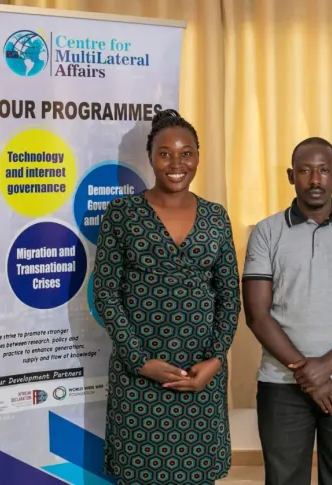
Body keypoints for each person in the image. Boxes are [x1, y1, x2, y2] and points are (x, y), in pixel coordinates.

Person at [93, 109, 241, 485]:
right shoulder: (122, 213)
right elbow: (106, 293)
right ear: (151, 157)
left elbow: (229, 295)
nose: (176, 164)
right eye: (165, 153)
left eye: (186, 153)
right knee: (138, 474)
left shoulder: (216, 217)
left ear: (198, 156)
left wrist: (215, 359)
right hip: (138, 376)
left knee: (197, 475)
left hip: (199, 375)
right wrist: (140, 361)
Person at [242, 137, 332, 485]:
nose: (315, 179)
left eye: (323, 170)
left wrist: (324, 368)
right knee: (284, 479)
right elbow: (257, 315)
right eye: (305, 171)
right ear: (290, 176)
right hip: (282, 382)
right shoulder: (266, 232)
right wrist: (307, 372)